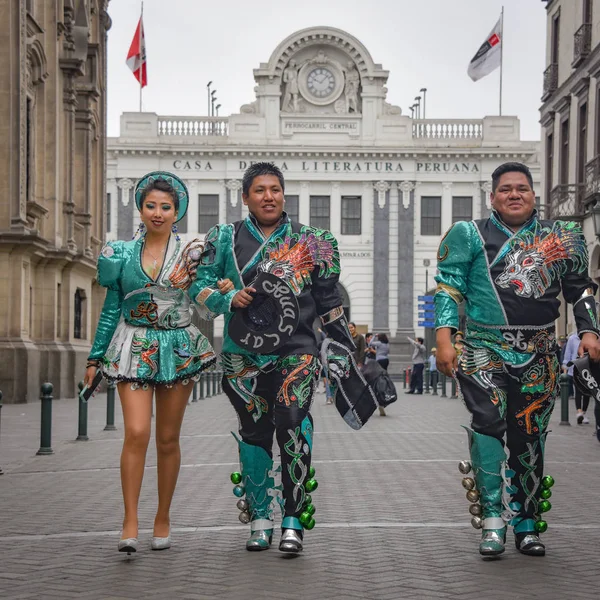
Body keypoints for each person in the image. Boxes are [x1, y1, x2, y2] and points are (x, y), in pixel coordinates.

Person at [435, 161, 600, 558]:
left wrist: (591, 331)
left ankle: (526, 522)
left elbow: (579, 290)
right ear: (492, 197)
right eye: (506, 188)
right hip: (482, 349)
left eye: (522, 188)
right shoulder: (468, 235)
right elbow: (449, 289)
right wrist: (445, 338)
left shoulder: (562, 236)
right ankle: (492, 521)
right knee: (488, 425)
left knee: (529, 433)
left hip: (538, 352)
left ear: (533, 195)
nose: (514, 194)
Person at [192, 162, 359, 554]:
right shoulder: (223, 238)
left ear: (284, 194)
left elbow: (329, 301)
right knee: (254, 432)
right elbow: (197, 287)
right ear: (245, 196)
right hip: (242, 353)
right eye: (260, 190)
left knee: (292, 420)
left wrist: (346, 351)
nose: (269, 196)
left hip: (296, 350)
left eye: (275, 189)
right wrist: (225, 298)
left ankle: (292, 519)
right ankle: (259, 517)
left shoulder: (313, 240)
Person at [83, 172, 234, 555]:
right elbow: (111, 309)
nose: (157, 213)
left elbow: (205, 304)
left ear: (176, 211)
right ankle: (129, 519)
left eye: (165, 207)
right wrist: (94, 357)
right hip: (132, 346)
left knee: (168, 439)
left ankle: (163, 516)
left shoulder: (194, 253)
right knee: (136, 432)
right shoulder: (119, 254)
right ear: (140, 208)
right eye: (151, 205)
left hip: (179, 348)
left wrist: (223, 294)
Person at [563, 332, 591, 424]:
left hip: (588, 368)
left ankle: (583, 412)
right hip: (575, 368)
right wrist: (565, 367)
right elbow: (568, 353)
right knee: (578, 390)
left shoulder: (591, 336)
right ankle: (579, 412)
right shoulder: (572, 338)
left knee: (587, 392)